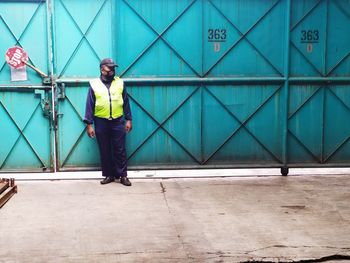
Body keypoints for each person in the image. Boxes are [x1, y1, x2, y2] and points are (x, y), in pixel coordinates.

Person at [84, 58, 132, 186]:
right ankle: (109, 175)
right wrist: (89, 125)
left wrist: (128, 119)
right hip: (101, 122)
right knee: (104, 149)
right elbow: (90, 105)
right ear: (102, 69)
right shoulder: (94, 84)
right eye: (109, 68)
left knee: (120, 149)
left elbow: (126, 102)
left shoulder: (120, 83)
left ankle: (123, 176)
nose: (112, 71)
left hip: (118, 121)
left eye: (113, 68)